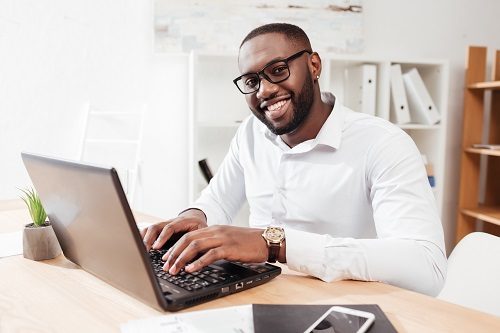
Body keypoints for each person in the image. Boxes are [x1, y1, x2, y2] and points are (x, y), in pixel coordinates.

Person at [141, 23, 447, 296]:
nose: (266, 90)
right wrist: (194, 216)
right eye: (251, 81)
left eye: (278, 70)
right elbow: (218, 199)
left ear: (314, 65)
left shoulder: (383, 144)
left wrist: (274, 244)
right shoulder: (251, 133)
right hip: (258, 293)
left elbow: (426, 268)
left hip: (341, 306)